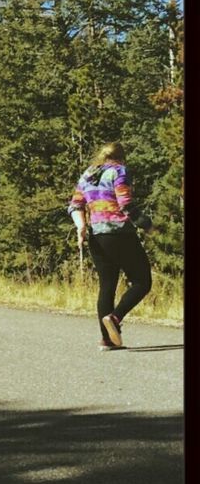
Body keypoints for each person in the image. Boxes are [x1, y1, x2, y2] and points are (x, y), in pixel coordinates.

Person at [68, 140, 152, 352]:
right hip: (120, 234)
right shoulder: (119, 171)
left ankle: (107, 340)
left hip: (97, 237)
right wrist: (149, 226)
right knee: (142, 281)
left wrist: (81, 226)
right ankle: (115, 318)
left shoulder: (88, 173)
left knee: (107, 286)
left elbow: (75, 204)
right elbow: (125, 205)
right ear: (121, 157)